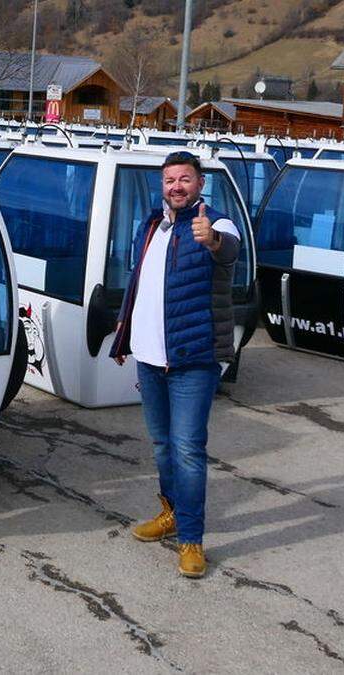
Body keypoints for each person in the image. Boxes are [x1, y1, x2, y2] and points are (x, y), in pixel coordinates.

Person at [109, 151, 241, 578]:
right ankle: (170, 513)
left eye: (185, 179)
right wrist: (126, 334)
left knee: (187, 450)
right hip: (149, 358)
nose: (176, 186)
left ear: (200, 184)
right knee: (163, 446)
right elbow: (139, 284)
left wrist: (212, 240)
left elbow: (228, 252)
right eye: (169, 180)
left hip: (193, 360)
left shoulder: (215, 224)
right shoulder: (151, 226)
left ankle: (192, 540)